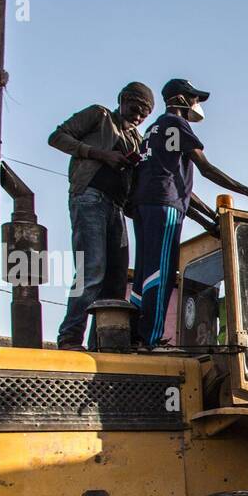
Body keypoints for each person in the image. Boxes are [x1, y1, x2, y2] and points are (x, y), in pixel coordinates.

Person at [130, 78, 248, 347]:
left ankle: (136, 334)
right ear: (181, 99)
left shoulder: (153, 129)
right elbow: (205, 169)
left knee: (145, 272)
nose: (196, 104)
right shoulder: (177, 124)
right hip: (165, 208)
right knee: (162, 272)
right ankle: (151, 339)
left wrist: (209, 221)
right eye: (194, 98)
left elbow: (178, 188)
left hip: (145, 205)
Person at [47, 82, 154, 350]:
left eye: (145, 113)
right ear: (122, 99)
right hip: (90, 198)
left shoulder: (138, 140)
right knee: (92, 269)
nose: (139, 115)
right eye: (136, 107)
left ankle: (101, 344)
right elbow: (57, 137)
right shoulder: (100, 115)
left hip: (117, 208)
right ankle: (70, 337)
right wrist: (101, 154)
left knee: (117, 280)